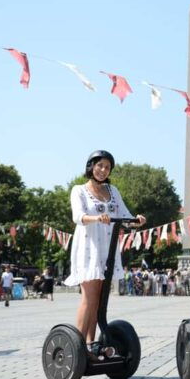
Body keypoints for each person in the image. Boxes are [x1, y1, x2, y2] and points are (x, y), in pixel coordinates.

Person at [63, 150, 146, 357]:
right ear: (91, 166)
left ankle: (91, 344)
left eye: (107, 167)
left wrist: (136, 220)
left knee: (100, 301)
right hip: (88, 248)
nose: (102, 170)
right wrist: (97, 218)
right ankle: (78, 347)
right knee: (89, 299)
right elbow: (78, 216)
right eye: (99, 165)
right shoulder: (79, 190)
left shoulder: (113, 190)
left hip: (107, 250)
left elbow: (124, 215)